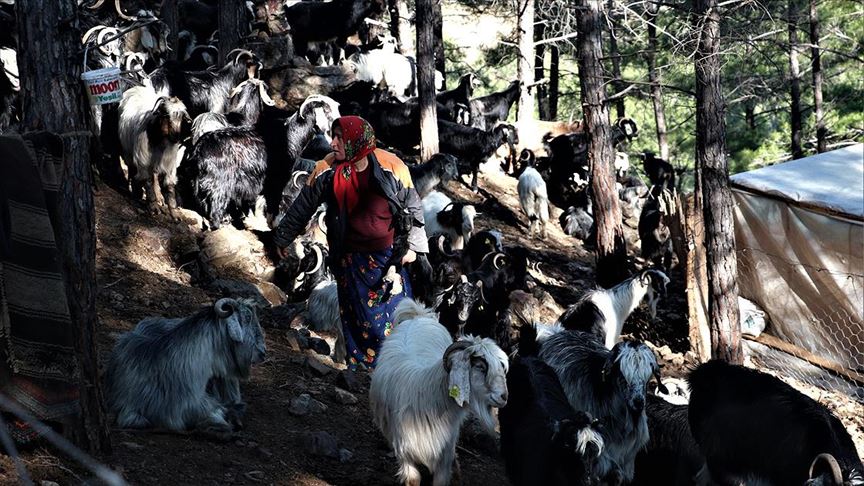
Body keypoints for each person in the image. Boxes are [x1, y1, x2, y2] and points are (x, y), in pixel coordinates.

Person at [274, 116, 428, 370]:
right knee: (357, 317)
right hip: (350, 259)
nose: (333, 143)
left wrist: (413, 247)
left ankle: (398, 367)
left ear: (358, 140)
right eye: (333, 137)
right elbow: (304, 204)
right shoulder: (328, 170)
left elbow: (413, 206)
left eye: (340, 138)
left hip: (388, 259)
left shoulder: (392, 166)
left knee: (397, 313)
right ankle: (362, 369)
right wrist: (283, 235)